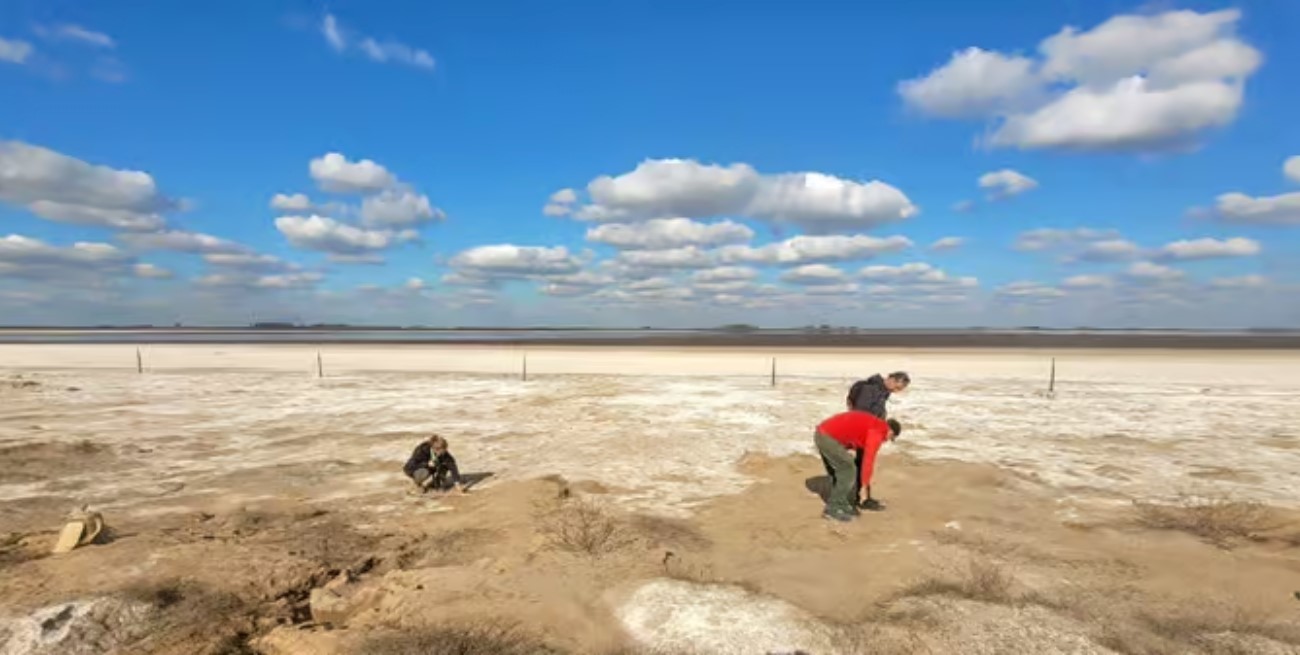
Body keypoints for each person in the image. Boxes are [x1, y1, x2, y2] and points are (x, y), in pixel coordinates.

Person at [814, 410, 901, 522]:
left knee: (846, 468)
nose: (887, 440)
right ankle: (832, 509)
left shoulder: (875, 424)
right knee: (849, 469)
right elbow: (868, 460)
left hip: (824, 434)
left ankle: (842, 504)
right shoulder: (878, 431)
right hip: (826, 437)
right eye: (891, 438)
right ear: (891, 432)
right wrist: (865, 486)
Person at [844, 371, 909, 510]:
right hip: (863, 434)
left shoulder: (882, 391)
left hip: (868, 433)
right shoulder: (870, 389)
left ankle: (857, 498)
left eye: (899, 390)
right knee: (863, 465)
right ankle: (859, 499)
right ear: (891, 379)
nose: (896, 391)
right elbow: (860, 413)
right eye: (897, 387)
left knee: (861, 465)